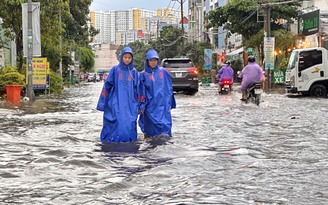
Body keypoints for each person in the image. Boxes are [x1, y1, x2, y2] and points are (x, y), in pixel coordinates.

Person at [96, 46, 139, 143]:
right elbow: (107, 86)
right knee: (116, 122)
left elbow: (138, 89)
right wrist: (102, 103)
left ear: (132, 59)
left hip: (130, 105)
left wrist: (140, 105)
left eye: (129, 58)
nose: (127, 59)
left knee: (129, 124)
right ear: (121, 57)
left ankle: (129, 144)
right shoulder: (115, 70)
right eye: (125, 57)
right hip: (115, 102)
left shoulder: (134, 72)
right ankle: (112, 143)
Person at [138, 49, 176, 138]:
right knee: (149, 129)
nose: (153, 62)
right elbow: (141, 91)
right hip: (150, 106)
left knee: (165, 128)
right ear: (147, 61)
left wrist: (170, 102)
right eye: (151, 60)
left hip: (162, 105)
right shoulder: (143, 75)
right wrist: (141, 106)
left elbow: (169, 88)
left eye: (155, 60)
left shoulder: (163, 72)